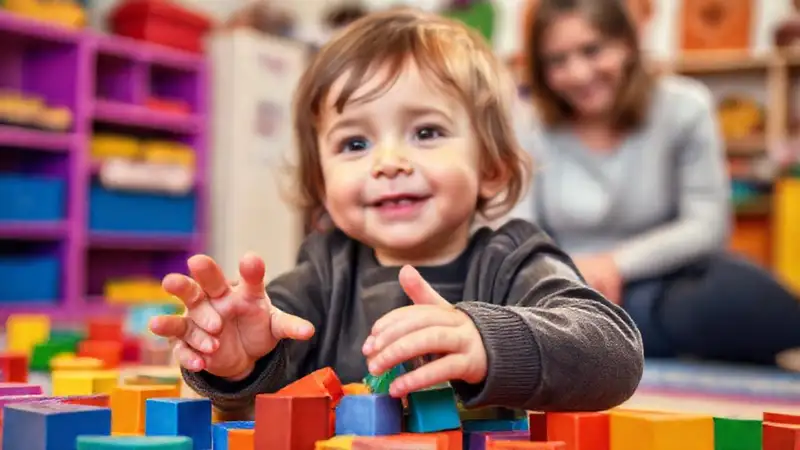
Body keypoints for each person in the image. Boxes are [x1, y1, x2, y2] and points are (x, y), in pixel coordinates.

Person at [148, 8, 644, 420]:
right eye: (355, 143)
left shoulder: (512, 258)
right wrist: (237, 364)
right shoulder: (324, 273)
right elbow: (264, 390)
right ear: (323, 184)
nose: (389, 163)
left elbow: (615, 354)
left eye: (426, 132)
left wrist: (487, 341)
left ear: (491, 167)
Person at [513, 0, 800, 366]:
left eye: (592, 50)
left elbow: (708, 226)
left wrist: (616, 264)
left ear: (627, 44)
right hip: (566, 288)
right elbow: (523, 233)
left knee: (742, 296)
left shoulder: (685, 106)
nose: (579, 73)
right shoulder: (530, 125)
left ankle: (607, 337)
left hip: (670, 277)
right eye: (557, 60)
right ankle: (612, 333)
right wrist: (574, 274)